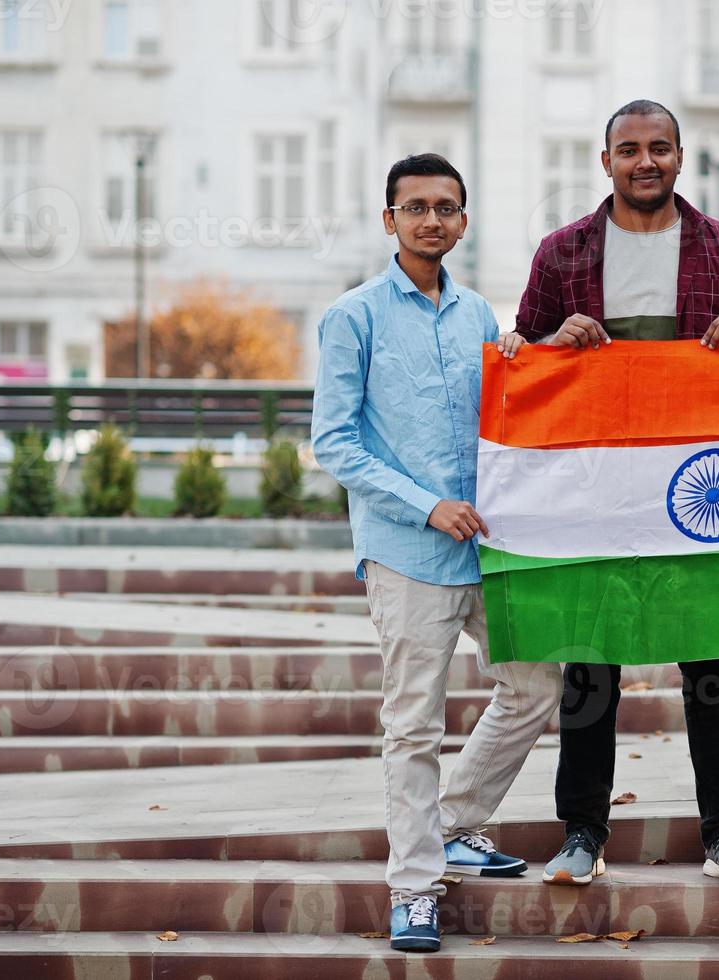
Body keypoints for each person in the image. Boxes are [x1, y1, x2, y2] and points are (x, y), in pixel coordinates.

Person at [514, 99, 719, 887]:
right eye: (629, 150)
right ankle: (582, 833)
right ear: (606, 162)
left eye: (659, 148)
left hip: (697, 491)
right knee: (590, 665)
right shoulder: (562, 255)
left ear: (680, 156)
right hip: (598, 495)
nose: (645, 162)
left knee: (710, 663)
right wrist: (552, 346)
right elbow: (520, 361)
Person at [311, 153, 563, 954]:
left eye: (444, 207)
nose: (430, 219)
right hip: (404, 552)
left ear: (462, 219)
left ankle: (453, 824)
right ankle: (413, 889)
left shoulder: (478, 316)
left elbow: (503, 417)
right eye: (414, 207)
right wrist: (427, 505)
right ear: (389, 220)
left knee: (535, 684)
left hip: (485, 550)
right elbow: (333, 442)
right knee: (413, 727)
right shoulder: (352, 315)